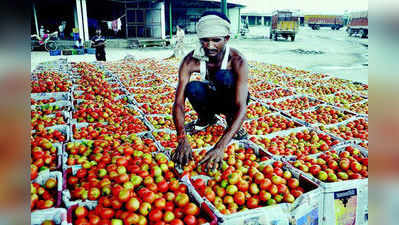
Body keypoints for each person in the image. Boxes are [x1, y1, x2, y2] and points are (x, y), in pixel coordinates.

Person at [171, 11, 249, 171]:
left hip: (231, 101)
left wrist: (220, 146)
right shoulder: (190, 61)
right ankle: (206, 119)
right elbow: (178, 103)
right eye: (205, 40)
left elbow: (242, 106)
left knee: (224, 77)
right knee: (193, 87)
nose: (210, 45)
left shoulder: (237, 60)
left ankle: (231, 122)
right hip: (211, 97)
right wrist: (181, 138)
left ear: (226, 39)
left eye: (216, 40)